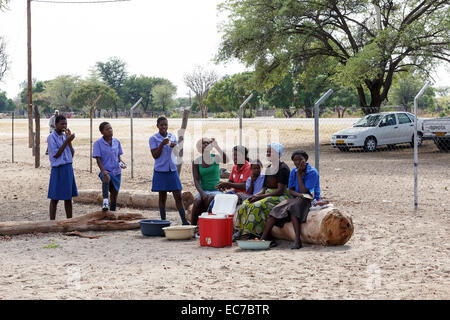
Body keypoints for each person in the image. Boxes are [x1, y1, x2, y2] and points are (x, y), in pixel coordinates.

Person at [261, 150, 323, 249]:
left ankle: (297, 241)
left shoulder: (312, 172)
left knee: (294, 209)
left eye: (300, 160)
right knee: (276, 210)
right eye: (295, 160)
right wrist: (299, 195)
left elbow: (305, 191)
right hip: (297, 197)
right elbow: (290, 190)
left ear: (306, 160)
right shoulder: (293, 171)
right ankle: (262, 239)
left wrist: (299, 174)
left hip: (310, 199)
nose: (297, 162)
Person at [233, 142, 290, 240]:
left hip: (280, 196)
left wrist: (261, 197)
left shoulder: (283, 169)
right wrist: (256, 195)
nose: (267, 154)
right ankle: (242, 231)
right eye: (267, 152)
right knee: (246, 203)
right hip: (268, 194)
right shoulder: (268, 168)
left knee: (257, 205)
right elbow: (264, 188)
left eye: (270, 152)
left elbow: (280, 190)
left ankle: (255, 233)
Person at [150, 116, 189, 225]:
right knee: (162, 197)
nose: (164, 127)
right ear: (157, 126)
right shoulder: (153, 139)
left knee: (178, 195)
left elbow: (177, 153)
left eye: (165, 125)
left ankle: (184, 220)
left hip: (172, 170)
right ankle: (163, 221)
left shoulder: (172, 136)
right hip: (160, 170)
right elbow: (155, 155)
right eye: (161, 125)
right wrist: (162, 144)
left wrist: (174, 147)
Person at [190, 137, 228, 225]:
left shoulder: (216, 158)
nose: (206, 145)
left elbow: (226, 160)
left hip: (216, 190)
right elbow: (196, 180)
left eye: (208, 143)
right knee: (197, 201)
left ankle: (208, 225)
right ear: (200, 147)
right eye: (204, 143)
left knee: (211, 198)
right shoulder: (196, 161)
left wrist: (217, 146)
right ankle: (193, 226)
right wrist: (202, 193)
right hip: (203, 190)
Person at [47, 114, 78, 220]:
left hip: (68, 168)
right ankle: (52, 221)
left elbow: (72, 153)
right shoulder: (51, 137)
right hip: (58, 169)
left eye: (66, 123)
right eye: (62, 124)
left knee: (68, 198)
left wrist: (69, 142)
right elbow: (56, 154)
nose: (64, 126)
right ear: (56, 125)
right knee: (54, 198)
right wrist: (67, 141)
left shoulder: (65, 136)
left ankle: (69, 220)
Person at [93, 122, 126, 211]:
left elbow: (118, 156)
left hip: (116, 171)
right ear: (102, 132)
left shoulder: (116, 142)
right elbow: (98, 159)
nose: (110, 130)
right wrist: (103, 170)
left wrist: (122, 163)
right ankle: (105, 201)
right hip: (106, 170)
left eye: (111, 128)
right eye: (107, 129)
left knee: (114, 194)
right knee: (106, 177)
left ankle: (112, 213)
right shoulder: (98, 143)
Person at [208, 145, 252, 212]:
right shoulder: (235, 167)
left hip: (246, 194)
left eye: (237, 156)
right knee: (218, 198)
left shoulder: (248, 167)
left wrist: (229, 184)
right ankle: (209, 214)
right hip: (235, 192)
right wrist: (224, 186)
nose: (234, 158)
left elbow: (245, 186)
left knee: (228, 201)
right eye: (234, 155)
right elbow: (230, 181)